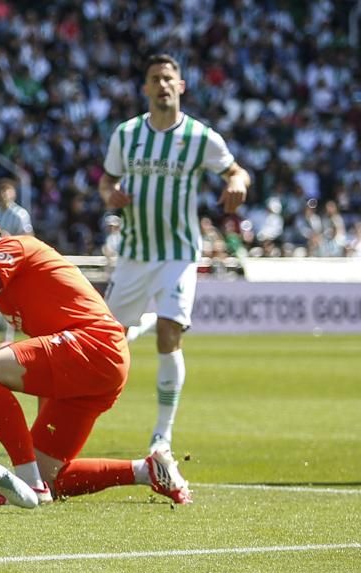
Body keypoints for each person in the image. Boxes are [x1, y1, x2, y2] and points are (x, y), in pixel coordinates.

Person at [0, 197, 191, 505]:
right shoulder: (7, 275)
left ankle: (28, 484)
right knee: (53, 478)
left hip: (93, 344)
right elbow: (48, 346)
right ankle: (147, 470)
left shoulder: (11, 248)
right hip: (96, 363)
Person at [97, 54, 252, 457]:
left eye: (169, 78)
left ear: (181, 86)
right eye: (155, 78)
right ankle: (141, 324)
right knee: (106, 343)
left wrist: (237, 183)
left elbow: (237, 171)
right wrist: (109, 195)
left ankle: (161, 436)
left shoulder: (201, 137)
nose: (163, 84)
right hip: (133, 253)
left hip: (179, 253)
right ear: (145, 88)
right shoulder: (126, 134)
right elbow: (107, 180)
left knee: (171, 333)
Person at [0, 177, 33, 344]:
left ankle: (8, 336)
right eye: (2, 190)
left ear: (14, 193)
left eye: (8, 190)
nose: (5, 194)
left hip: (14, 263)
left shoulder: (20, 214)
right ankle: (9, 333)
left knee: (11, 300)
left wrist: (9, 240)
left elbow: (28, 238)